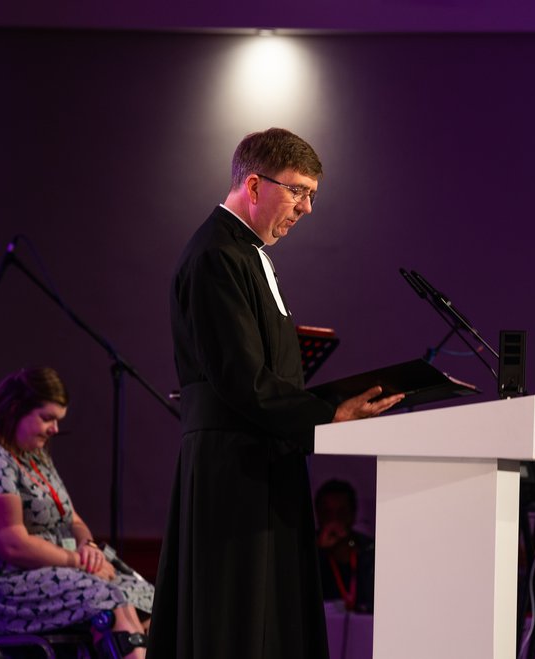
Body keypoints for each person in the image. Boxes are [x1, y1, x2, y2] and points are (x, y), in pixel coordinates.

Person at [148, 127, 404, 659]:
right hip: (233, 467)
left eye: (313, 194)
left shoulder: (248, 253)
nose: (306, 208)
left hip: (262, 457)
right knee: (237, 619)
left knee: (268, 617)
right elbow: (242, 378)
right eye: (298, 191)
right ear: (255, 185)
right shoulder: (217, 255)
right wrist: (328, 414)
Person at [0, 367, 152, 658]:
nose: (55, 429)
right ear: (14, 409)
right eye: (47, 419)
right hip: (5, 583)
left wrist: (89, 547)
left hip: (56, 567)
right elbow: (12, 544)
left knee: (145, 596)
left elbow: (73, 519)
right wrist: (78, 562)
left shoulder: (34, 454)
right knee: (108, 598)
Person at [315, 479, 375, 613]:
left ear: (353, 515)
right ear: (318, 514)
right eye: (327, 512)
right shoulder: (307, 550)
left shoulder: (369, 549)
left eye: (341, 512)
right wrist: (320, 551)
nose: (334, 519)